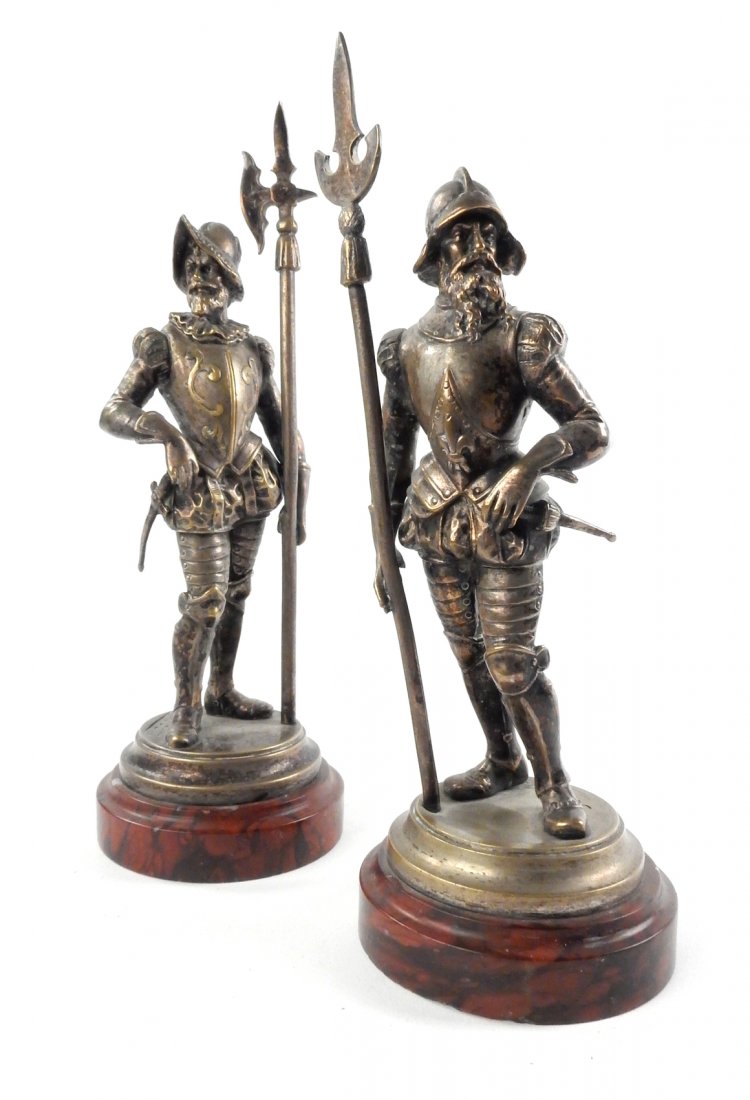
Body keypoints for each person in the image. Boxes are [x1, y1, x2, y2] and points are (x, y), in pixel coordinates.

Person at [377, 169, 608, 838]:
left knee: (512, 662)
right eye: (460, 237)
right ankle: (503, 758)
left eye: (487, 234)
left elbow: (590, 427)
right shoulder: (407, 347)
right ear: (435, 254)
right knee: (468, 655)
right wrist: (381, 545)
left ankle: (553, 784)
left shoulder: (522, 337)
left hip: (508, 522)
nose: (476, 247)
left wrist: (528, 466)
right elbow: (393, 455)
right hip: (435, 518)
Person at [101, 216, 308, 748]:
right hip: (199, 490)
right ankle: (187, 704)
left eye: (211, 267)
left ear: (231, 279)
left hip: (251, 480)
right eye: (192, 266)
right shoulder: (163, 344)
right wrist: (166, 433)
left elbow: (281, 425)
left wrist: (299, 495)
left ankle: (221, 688)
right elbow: (114, 409)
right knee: (206, 602)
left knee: (237, 593)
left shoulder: (253, 348)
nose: (199, 276)